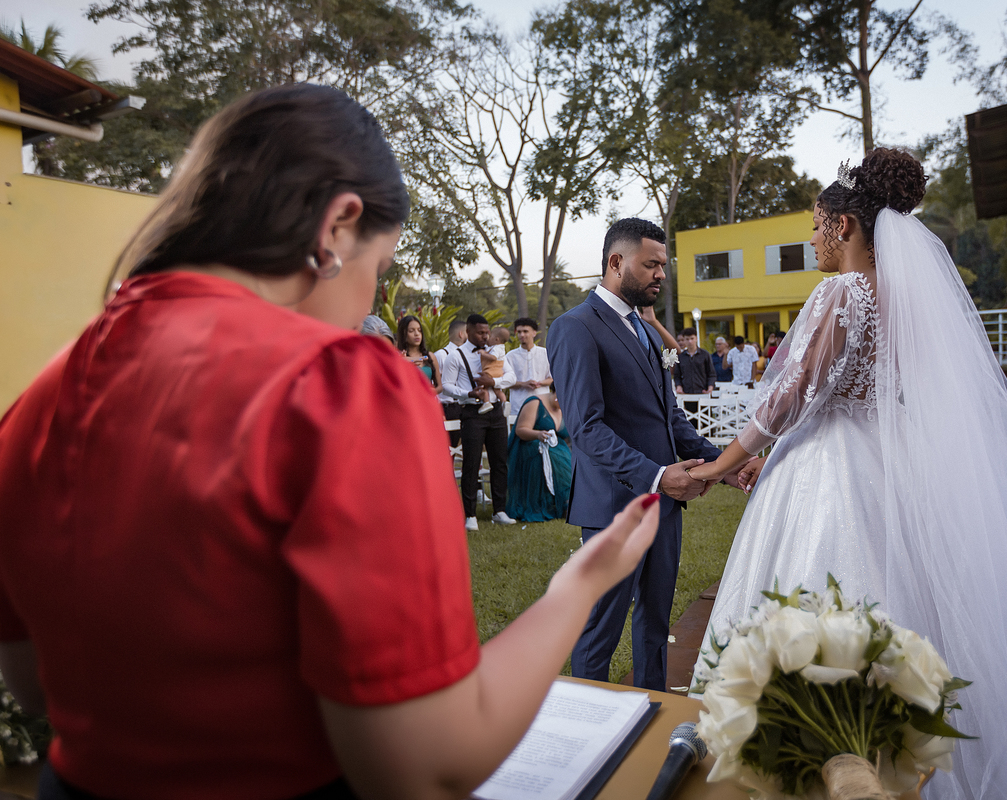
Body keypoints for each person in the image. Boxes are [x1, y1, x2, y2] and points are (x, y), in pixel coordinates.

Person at [0, 84, 664, 800]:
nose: (369, 302)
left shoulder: (46, 389)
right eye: (379, 270)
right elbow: (422, 766)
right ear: (339, 225)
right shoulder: (335, 382)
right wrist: (579, 586)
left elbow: (32, 684)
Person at [684, 148, 1007, 799]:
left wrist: (721, 462)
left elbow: (791, 396)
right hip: (884, 457)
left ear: (844, 224)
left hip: (830, 465)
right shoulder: (906, 299)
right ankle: (901, 752)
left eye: (815, 226)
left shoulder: (843, 291)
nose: (812, 240)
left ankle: (811, 754)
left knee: (816, 592)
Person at [546, 217, 745, 692]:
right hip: (615, 507)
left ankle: (653, 704)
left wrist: (726, 465)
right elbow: (587, 429)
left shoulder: (646, 330)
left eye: (663, 266)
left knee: (656, 621)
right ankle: (589, 714)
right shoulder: (575, 327)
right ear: (616, 262)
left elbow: (670, 418)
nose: (661, 274)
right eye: (651, 264)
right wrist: (658, 476)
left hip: (665, 507)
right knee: (602, 626)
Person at [440, 314, 517, 531]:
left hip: (496, 412)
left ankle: (499, 510)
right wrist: (468, 393)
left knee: (499, 461)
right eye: (480, 333)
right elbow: (446, 385)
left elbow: (511, 377)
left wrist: (494, 381)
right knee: (471, 463)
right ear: (468, 332)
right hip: (472, 412)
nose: (485, 336)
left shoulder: (496, 351)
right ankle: (470, 515)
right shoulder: (456, 356)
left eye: (487, 332)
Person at [505, 385, 572, 522]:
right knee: (557, 457)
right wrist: (538, 434)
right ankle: (557, 503)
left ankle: (568, 501)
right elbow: (521, 430)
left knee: (568, 457)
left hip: (557, 448)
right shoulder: (535, 402)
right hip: (530, 446)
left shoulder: (566, 408)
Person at [435, 319, 468, 447]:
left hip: (463, 406)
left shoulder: (467, 354)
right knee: (446, 446)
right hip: (446, 407)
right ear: (461, 334)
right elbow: (433, 383)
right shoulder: (441, 355)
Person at [507, 317, 552, 410]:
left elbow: (553, 378)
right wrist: (523, 384)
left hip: (542, 404)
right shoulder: (510, 356)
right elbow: (505, 381)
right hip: (518, 406)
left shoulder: (545, 353)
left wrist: (539, 383)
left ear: (534, 333)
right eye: (519, 332)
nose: (522, 335)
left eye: (525, 331)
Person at [397, 314, 441, 393]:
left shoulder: (430, 356)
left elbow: (439, 387)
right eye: (411, 331)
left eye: (419, 330)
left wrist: (426, 392)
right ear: (403, 334)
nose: (417, 334)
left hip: (428, 399)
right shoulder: (398, 357)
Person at [672, 327, 717, 395]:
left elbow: (711, 374)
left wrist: (710, 388)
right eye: (687, 339)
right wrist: (679, 387)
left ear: (696, 338)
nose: (690, 341)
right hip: (686, 393)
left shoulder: (705, 355)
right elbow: (677, 375)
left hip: (703, 391)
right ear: (684, 340)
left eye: (692, 338)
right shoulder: (680, 357)